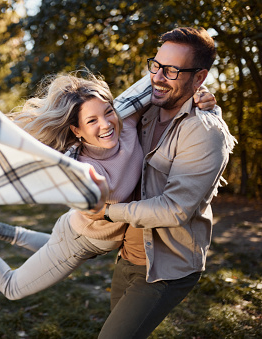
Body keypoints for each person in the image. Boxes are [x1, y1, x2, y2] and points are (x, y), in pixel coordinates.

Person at [0, 68, 217, 302]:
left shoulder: (128, 124)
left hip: (82, 234)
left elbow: (156, 81)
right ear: (77, 130)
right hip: (81, 239)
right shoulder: (83, 169)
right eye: (92, 121)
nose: (106, 124)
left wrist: (200, 95)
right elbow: (85, 190)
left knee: (51, 246)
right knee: (12, 286)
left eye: (107, 112)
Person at [93, 27, 234, 338]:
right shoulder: (142, 115)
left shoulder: (204, 131)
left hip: (165, 268)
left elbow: (174, 209)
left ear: (199, 78)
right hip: (128, 256)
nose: (157, 77)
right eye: (156, 65)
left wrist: (107, 212)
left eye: (172, 70)